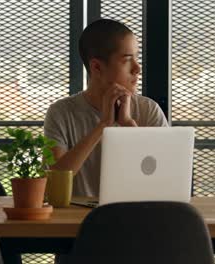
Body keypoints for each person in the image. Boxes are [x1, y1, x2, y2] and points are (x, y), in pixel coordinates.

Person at [44, 18, 168, 198]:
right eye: (127, 60)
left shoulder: (148, 110)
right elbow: (54, 182)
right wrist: (103, 125)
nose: (137, 68)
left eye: (137, 57)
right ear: (97, 67)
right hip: (78, 221)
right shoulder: (61, 112)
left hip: (139, 215)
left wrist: (128, 124)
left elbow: (163, 175)